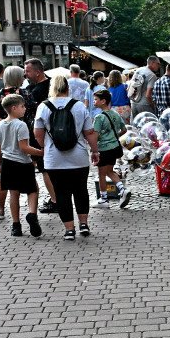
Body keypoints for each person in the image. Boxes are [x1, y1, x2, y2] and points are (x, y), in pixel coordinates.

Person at [34, 74, 99, 240]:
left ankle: (69, 230)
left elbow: (38, 133)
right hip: (78, 157)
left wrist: (44, 147)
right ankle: (83, 224)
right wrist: (95, 151)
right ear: (67, 88)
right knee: (81, 190)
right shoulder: (78, 106)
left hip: (54, 159)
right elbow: (89, 132)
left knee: (61, 193)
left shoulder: (44, 106)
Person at [0, 94, 43, 237]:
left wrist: (0, 163)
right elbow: (24, 147)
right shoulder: (21, 125)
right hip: (23, 163)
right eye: (22, 106)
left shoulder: (0, 124)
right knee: (32, 190)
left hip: (8, 162)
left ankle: (16, 225)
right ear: (14, 108)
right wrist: (41, 153)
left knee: (13, 193)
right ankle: (32, 214)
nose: (24, 109)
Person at [0, 65, 26, 219]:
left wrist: (5, 122)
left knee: (4, 175)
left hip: (4, 139)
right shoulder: (25, 94)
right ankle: (31, 209)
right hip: (24, 137)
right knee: (28, 175)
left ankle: (1, 208)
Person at [23, 59, 58, 211]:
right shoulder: (50, 85)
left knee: (45, 168)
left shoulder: (38, 90)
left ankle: (56, 201)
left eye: (28, 71)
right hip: (45, 133)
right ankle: (55, 197)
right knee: (48, 167)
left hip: (41, 133)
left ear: (37, 72)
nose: (25, 74)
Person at [91, 88, 131, 208]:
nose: (94, 101)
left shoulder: (99, 117)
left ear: (103, 101)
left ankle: (104, 200)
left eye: (96, 99)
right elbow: (124, 129)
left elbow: (95, 135)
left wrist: (93, 149)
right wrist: (114, 137)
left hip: (104, 149)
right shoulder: (115, 113)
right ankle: (122, 190)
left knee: (102, 174)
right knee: (109, 171)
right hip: (114, 147)